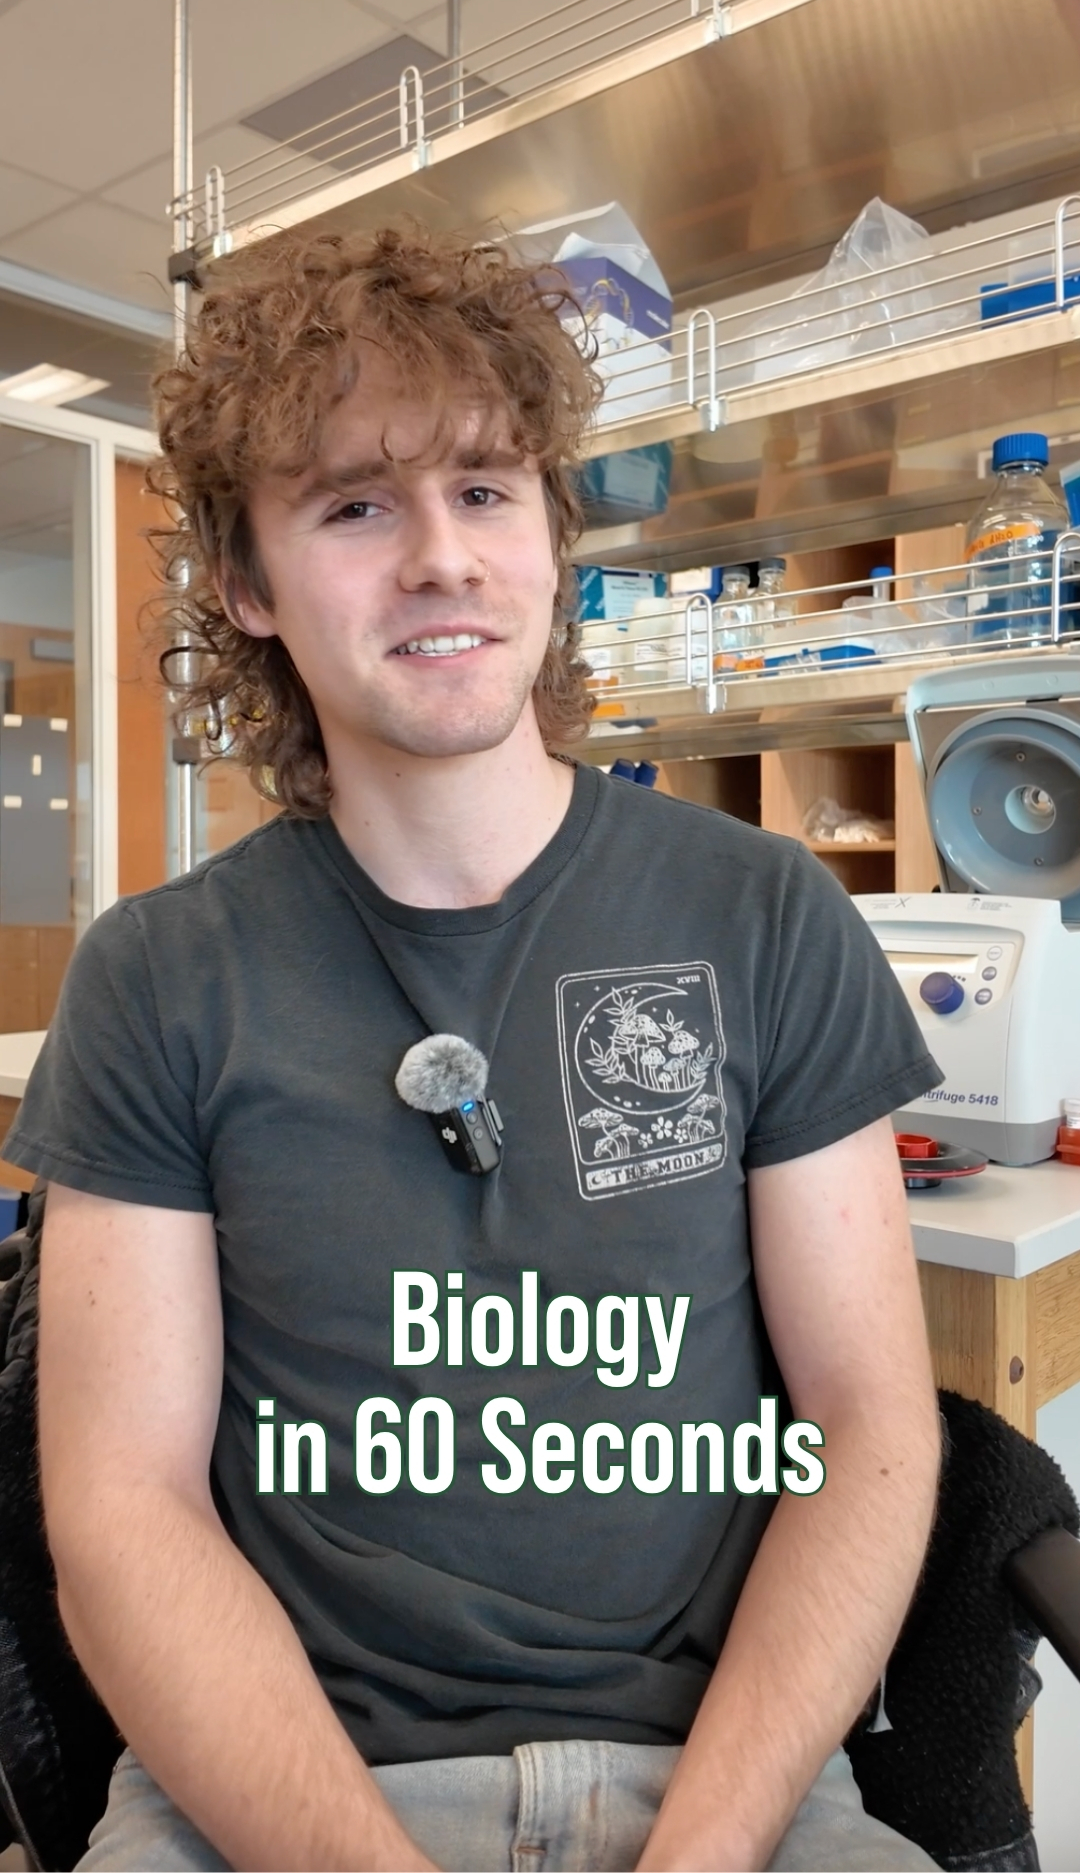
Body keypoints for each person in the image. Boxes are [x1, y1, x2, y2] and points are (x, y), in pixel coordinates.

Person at [7, 226, 944, 1873]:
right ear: (245, 583)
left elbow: (871, 1421)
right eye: (356, 504)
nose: (441, 554)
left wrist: (709, 1851)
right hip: (283, 1797)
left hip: (725, 1786)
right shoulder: (157, 978)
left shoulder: (763, 913)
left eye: (488, 489)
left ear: (557, 542)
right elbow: (120, 1511)